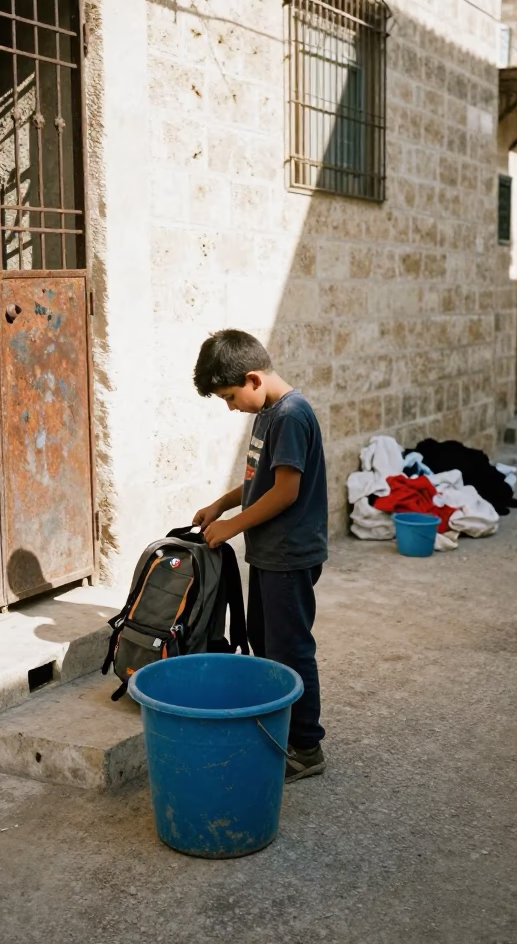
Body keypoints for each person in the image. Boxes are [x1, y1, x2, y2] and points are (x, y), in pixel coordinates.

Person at [192, 329, 328, 781]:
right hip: (270, 554)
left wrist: (233, 526)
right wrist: (222, 504)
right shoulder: (268, 412)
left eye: (230, 397)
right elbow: (260, 481)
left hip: (290, 554)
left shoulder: (291, 415)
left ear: (253, 379)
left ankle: (307, 748)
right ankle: (282, 732)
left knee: (290, 649)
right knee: (266, 645)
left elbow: (286, 492)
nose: (230, 407)